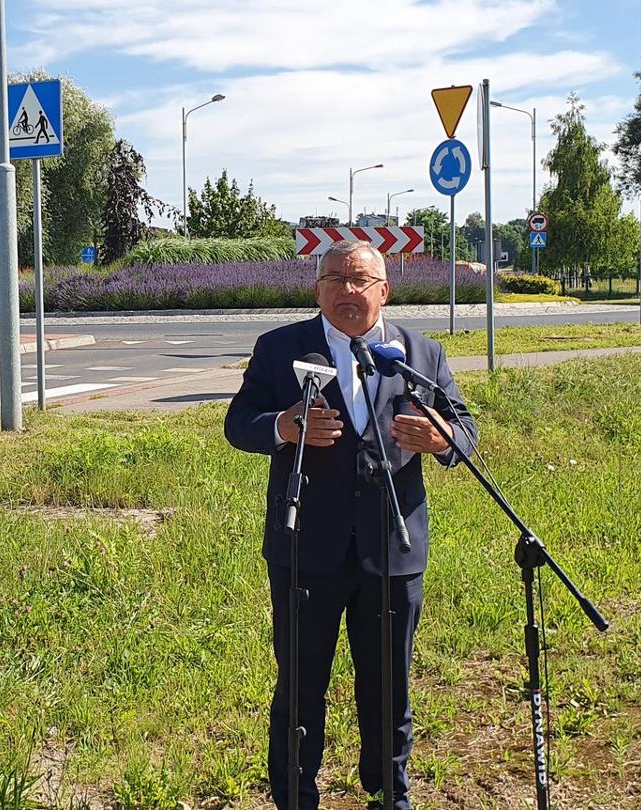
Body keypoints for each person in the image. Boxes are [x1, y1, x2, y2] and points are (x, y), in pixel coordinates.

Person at [224, 240, 477, 810]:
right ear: (317, 290)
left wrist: (442, 440)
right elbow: (238, 423)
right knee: (300, 686)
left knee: (389, 686)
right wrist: (283, 428)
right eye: (334, 278)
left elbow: (464, 427)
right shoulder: (280, 348)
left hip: (393, 547)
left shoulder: (421, 353)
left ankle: (389, 792)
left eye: (361, 279)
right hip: (305, 548)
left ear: (385, 291)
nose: (347, 290)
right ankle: (295, 796)